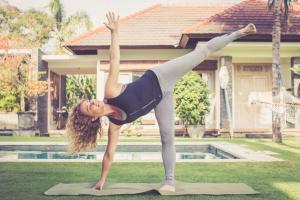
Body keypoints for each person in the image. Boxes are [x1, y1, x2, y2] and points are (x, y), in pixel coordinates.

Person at [66, 12, 257, 192]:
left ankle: (240, 32)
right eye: (90, 107)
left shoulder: (110, 91)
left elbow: (114, 58)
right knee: (167, 138)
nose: (94, 103)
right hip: (161, 99)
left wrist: (115, 32)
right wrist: (102, 180)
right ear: (92, 119)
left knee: (202, 52)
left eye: (90, 100)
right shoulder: (115, 125)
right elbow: (109, 154)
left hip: (160, 77)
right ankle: (170, 182)